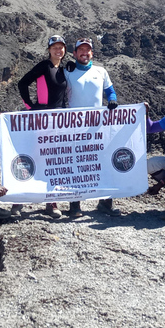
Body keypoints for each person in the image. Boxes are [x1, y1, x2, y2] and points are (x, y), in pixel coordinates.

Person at [64, 37, 120, 217]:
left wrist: (112, 99)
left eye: (87, 50)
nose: (84, 53)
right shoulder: (67, 71)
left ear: (92, 53)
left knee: (104, 164)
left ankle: (105, 203)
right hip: (74, 127)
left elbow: (109, 90)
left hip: (98, 126)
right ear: (74, 54)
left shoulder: (101, 71)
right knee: (76, 165)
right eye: (81, 50)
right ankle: (75, 206)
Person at [16, 34, 69, 218]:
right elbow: (22, 83)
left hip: (57, 122)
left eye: (61, 47)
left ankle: (51, 203)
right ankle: (19, 199)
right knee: (33, 158)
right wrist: (31, 106)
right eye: (54, 47)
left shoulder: (62, 70)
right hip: (41, 119)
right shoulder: (43, 66)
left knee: (52, 161)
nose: (58, 50)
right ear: (48, 50)